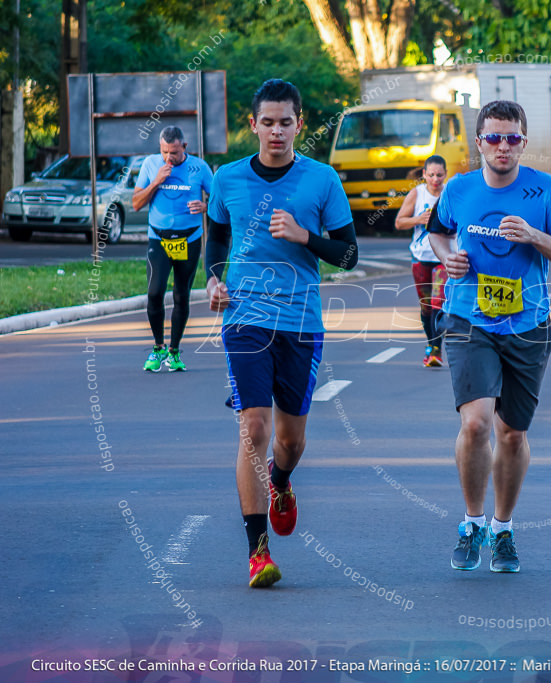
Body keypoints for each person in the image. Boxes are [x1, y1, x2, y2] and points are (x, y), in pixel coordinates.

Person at [205, 79, 358, 588]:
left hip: (300, 323)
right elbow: (217, 233)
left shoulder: (322, 180)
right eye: (266, 122)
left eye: (285, 122)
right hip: (245, 319)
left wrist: (303, 236)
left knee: (290, 442)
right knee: (254, 428)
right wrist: (213, 277)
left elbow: (349, 253)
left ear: (299, 125)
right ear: (253, 125)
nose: (275, 130)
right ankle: (257, 551)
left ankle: (282, 482)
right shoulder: (227, 178)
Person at [426, 100, 551, 573]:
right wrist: (447, 257)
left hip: (528, 323)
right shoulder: (459, 188)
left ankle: (503, 527)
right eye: (493, 137)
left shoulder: (544, 189)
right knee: (476, 424)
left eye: (512, 138)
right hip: (468, 319)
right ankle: (472, 522)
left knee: (511, 435)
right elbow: (438, 232)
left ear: (523, 143)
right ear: (479, 143)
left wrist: (535, 236)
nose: (502, 147)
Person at [132, 126, 214, 372]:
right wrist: (156, 181)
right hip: (159, 239)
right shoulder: (150, 164)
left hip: (189, 240)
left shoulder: (199, 168)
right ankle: (158, 348)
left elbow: (220, 202)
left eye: (175, 153)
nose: (170, 158)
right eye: (165, 152)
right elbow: (136, 204)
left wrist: (205, 205)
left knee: (181, 296)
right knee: (154, 293)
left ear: (185, 148)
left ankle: (174, 352)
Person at [394, 155, 449, 367]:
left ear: (446, 175)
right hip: (420, 257)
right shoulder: (417, 194)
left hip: (443, 257)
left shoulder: (449, 194)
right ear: (424, 174)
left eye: (440, 175)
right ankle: (431, 343)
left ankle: (436, 350)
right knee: (426, 306)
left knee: (438, 302)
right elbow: (399, 222)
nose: (436, 179)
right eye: (432, 175)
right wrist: (419, 219)